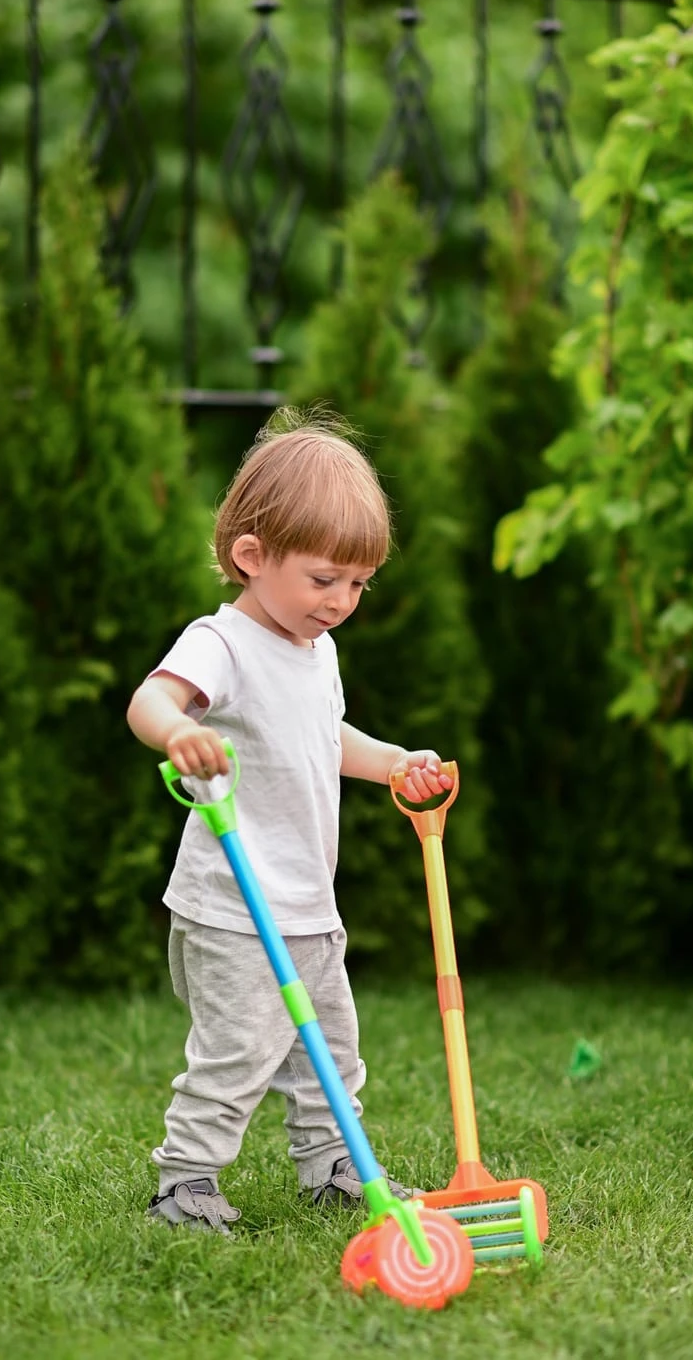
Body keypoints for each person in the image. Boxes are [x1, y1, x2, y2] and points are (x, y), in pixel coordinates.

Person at [127, 409, 453, 1235]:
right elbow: (150, 699)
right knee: (238, 1052)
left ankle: (333, 1167)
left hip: (308, 902)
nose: (341, 602)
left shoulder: (317, 650)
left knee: (330, 1052)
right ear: (251, 558)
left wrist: (388, 762)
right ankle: (186, 1181)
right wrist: (181, 731)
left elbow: (319, 735)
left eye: (357, 585)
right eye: (323, 580)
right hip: (233, 906)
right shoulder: (223, 644)